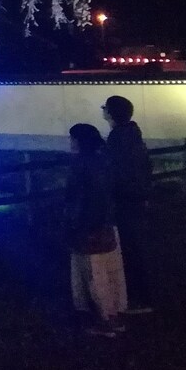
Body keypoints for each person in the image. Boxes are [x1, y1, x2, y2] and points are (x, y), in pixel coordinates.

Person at [66, 123, 127, 337]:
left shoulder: (80, 165)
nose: (70, 142)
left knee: (94, 274)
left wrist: (75, 223)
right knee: (111, 271)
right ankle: (116, 313)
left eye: (72, 138)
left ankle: (104, 318)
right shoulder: (105, 161)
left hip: (88, 226)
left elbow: (79, 199)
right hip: (107, 223)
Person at [102, 94, 153, 313]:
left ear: (111, 113)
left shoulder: (118, 139)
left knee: (130, 249)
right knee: (136, 247)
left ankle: (138, 299)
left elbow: (115, 172)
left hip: (125, 200)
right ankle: (141, 295)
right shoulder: (133, 135)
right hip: (136, 198)